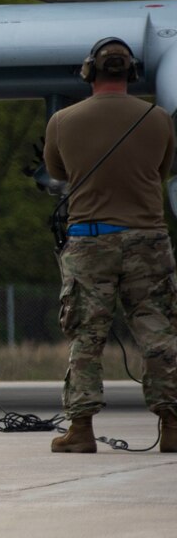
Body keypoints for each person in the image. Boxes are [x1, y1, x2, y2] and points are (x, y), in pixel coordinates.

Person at [42, 38, 176, 454]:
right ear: (131, 73)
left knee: (86, 337)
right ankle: (172, 425)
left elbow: (55, 169)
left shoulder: (63, 120)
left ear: (89, 73)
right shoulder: (158, 120)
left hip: (90, 242)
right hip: (148, 240)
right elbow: (163, 169)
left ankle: (80, 429)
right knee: (160, 333)